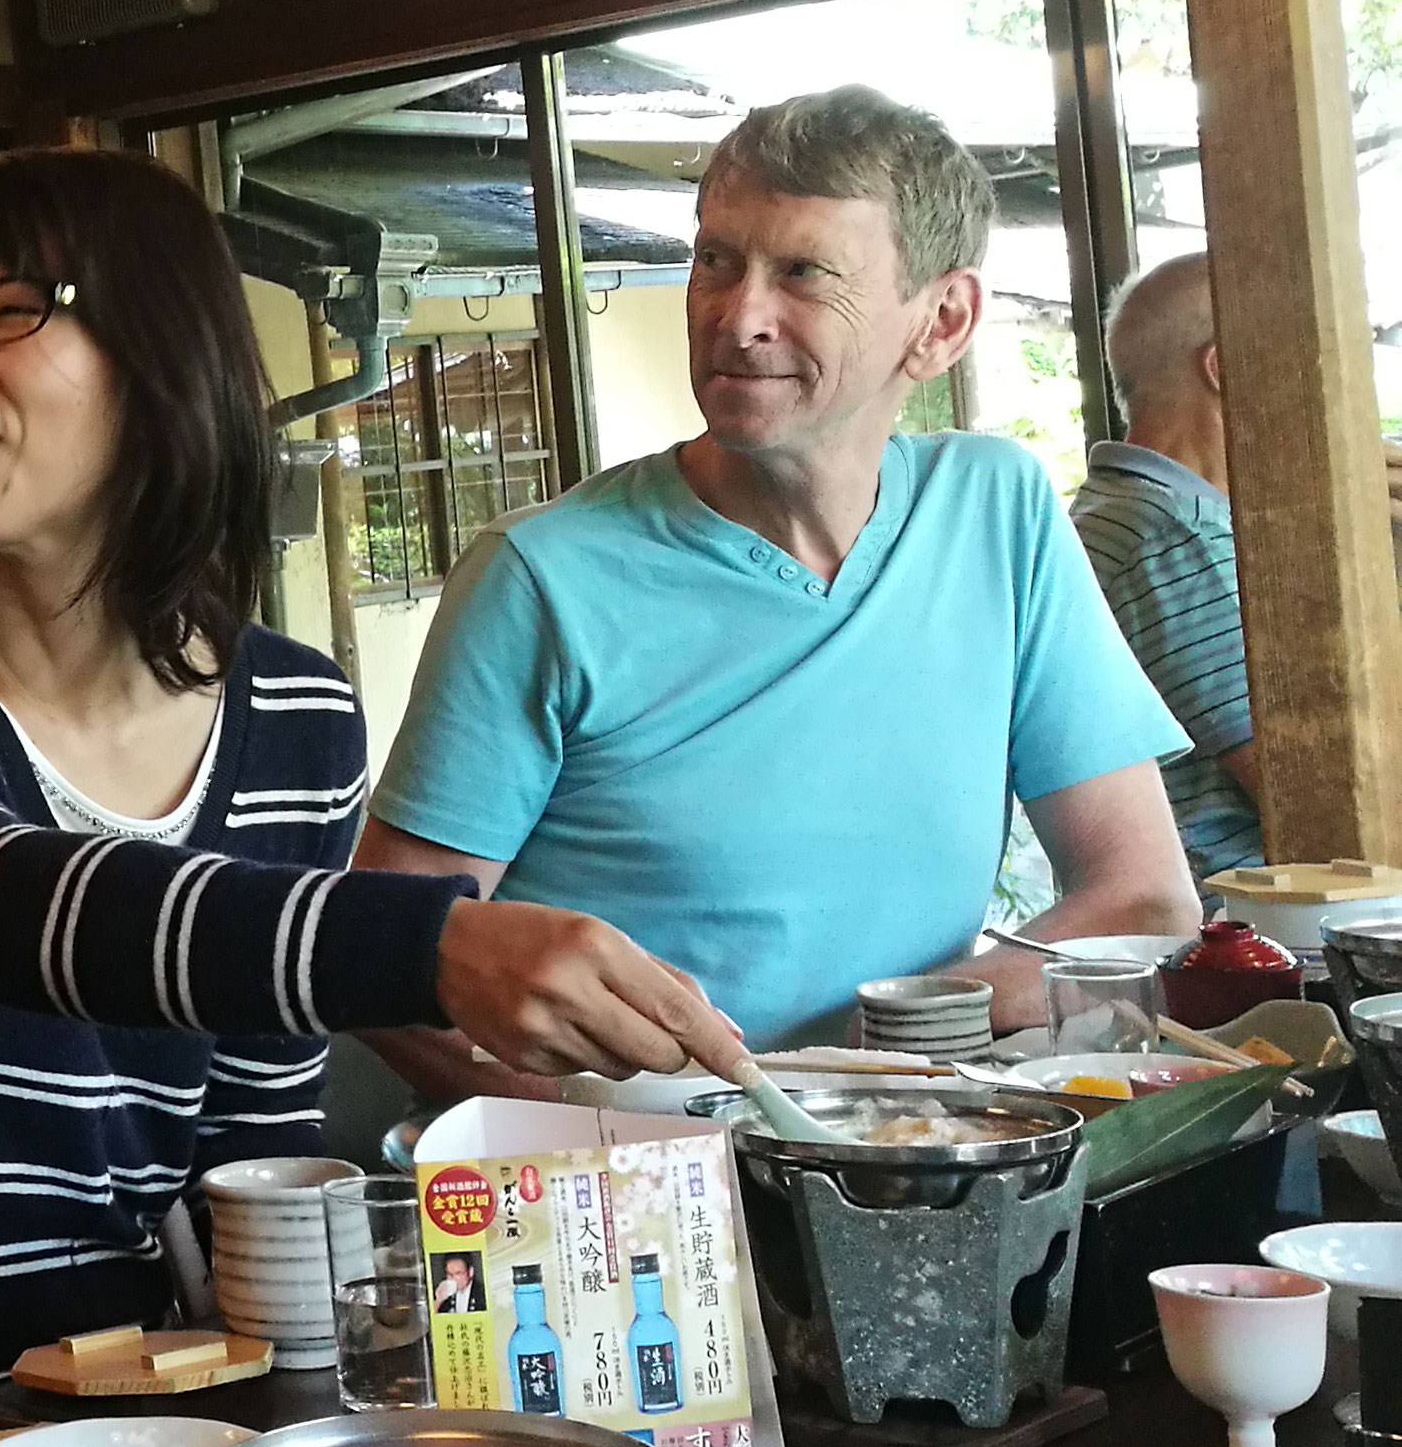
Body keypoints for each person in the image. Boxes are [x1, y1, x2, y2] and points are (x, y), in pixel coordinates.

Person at [0, 149, 747, 1426]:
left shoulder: (291, 715)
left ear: (155, 357)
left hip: (130, 1414)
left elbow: (252, 1153)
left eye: (5, 309)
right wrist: (429, 944)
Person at [357, 88, 1200, 1085]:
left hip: (910, 1134)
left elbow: (1139, 893)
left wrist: (882, 1061)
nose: (736, 315)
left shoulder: (992, 508)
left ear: (938, 322)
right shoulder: (542, 577)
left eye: (799, 272)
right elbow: (382, 966)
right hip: (641, 1174)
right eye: (713, 260)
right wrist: (670, 1151)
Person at [1071, 254, 1262, 878]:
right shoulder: (1175, 539)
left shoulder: (1115, 510)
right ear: (1224, 368)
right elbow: (1322, 796)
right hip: (1254, 940)